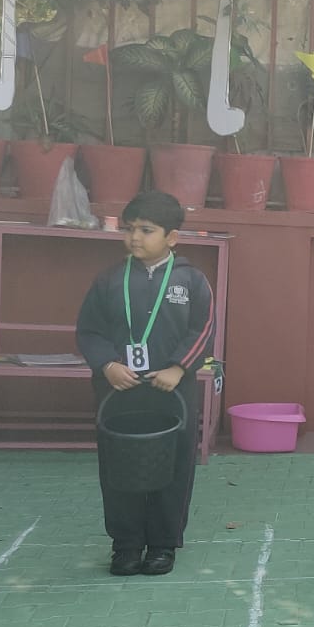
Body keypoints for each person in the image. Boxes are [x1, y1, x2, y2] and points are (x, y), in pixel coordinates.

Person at [76, 190, 216, 577]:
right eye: (130, 229)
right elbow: (89, 330)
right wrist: (107, 365)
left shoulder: (191, 280)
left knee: (173, 466)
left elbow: (203, 328)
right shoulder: (109, 280)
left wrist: (178, 368)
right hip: (119, 390)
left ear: (172, 237)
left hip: (172, 391)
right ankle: (125, 545)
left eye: (146, 230)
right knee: (121, 465)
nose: (135, 237)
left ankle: (162, 545)